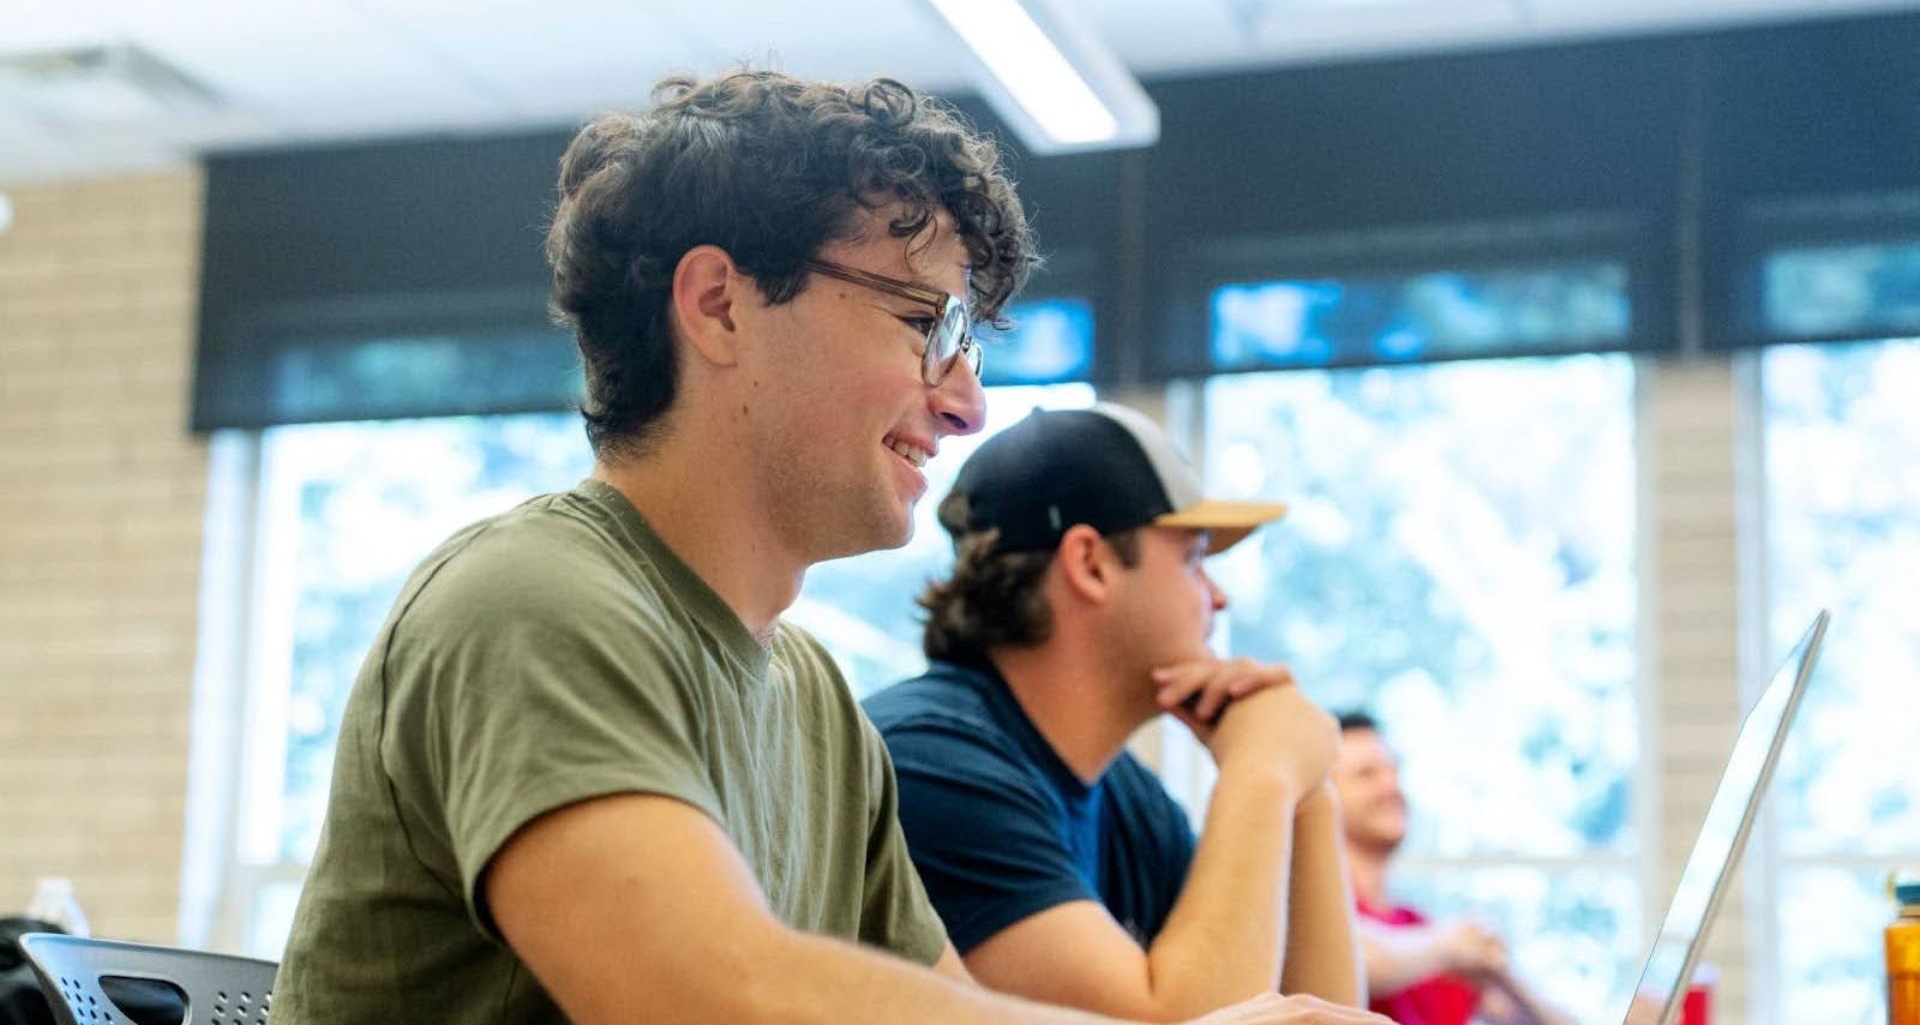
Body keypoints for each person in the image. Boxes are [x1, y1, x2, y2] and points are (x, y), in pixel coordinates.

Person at [269, 69, 1379, 1025]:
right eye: (923, 324)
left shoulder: (811, 701)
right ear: (718, 306)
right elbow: (705, 998)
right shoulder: (530, 600)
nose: (967, 407)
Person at [866, 402, 1382, 1022]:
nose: (1220, 597)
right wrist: (1262, 773)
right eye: (1193, 558)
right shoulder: (931, 764)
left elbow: (1325, 1015)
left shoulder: (1131, 801)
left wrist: (1310, 789)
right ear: (1090, 564)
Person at [1331, 712, 1574, 1025]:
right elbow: (1350, 956)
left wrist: (1502, 975)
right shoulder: (1315, 908)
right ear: (1324, 798)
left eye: (1394, 770)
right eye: (1367, 774)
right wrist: (1452, 944)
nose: (1391, 786)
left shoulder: (1416, 928)